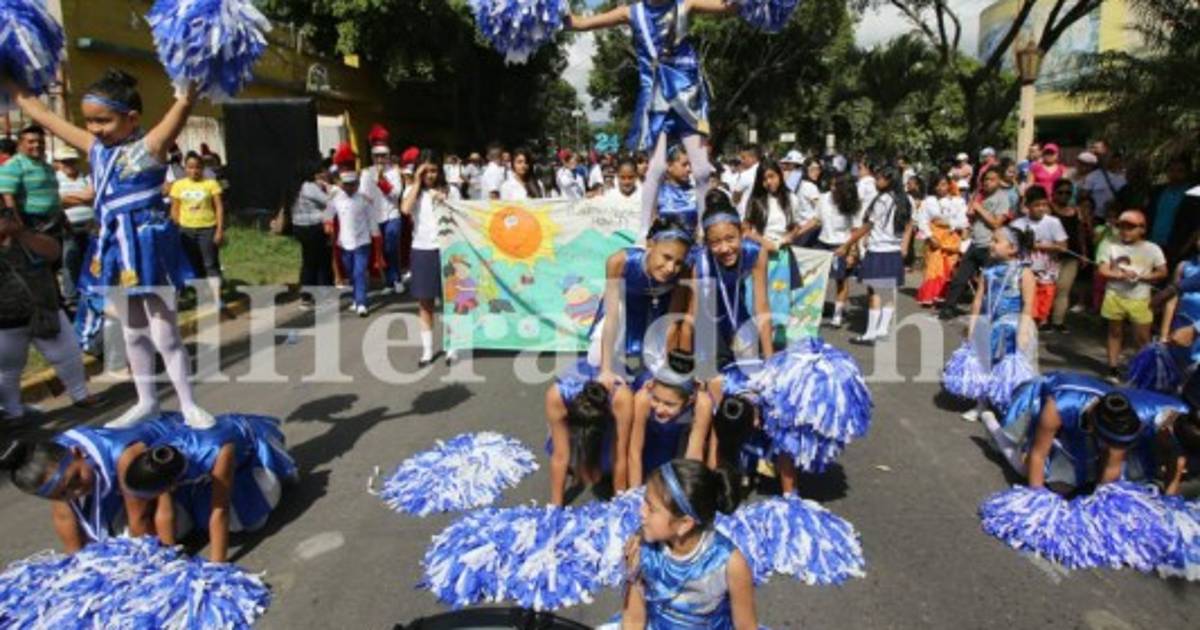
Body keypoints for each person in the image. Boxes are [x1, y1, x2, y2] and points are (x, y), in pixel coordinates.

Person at [7, 69, 214, 429]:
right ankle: (146, 401)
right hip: (115, 249)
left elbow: (182, 106)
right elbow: (42, 114)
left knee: (165, 332)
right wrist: (10, 77)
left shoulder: (150, 147)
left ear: (131, 118)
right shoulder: (95, 149)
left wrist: (191, 79)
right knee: (132, 331)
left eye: (103, 120)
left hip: (148, 246)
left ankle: (188, 404)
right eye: (89, 121)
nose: (95, 128)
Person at [566, 1, 733, 229]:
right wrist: (551, 12)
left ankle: (705, 232)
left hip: (687, 96)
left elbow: (730, 7)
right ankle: (644, 232)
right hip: (657, 99)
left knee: (703, 170)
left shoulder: (685, 4)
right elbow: (579, 23)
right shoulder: (631, 12)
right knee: (657, 168)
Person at [120, 414, 297, 563]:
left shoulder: (218, 451)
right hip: (201, 477)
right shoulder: (159, 460)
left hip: (243, 461)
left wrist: (216, 567)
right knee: (191, 525)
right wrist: (169, 557)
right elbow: (165, 510)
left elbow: (220, 510)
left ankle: (277, 475)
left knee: (249, 524)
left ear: (172, 484)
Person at [984, 373, 1195, 494]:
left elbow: (1111, 467)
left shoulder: (1121, 420)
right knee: (1028, 469)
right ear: (1094, 427)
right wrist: (1036, 499)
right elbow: (1039, 455)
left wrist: (1102, 505)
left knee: (1073, 483)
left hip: (1087, 418)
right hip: (1041, 396)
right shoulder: (1058, 406)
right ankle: (993, 423)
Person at [0, 419, 178, 551]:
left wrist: (155, 562)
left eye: (76, 478)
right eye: (62, 494)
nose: (76, 492)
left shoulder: (124, 455)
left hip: (173, 461)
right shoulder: (53, 468)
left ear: (77, 453)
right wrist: (79, 566)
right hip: (120, 485)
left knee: (143, 537)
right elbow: (64, 519)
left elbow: (140, 518)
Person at [617, 459, 756, 627]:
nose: (641, 511)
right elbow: (633, 619)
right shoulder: (642, 548)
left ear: (684, 524)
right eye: (644, 501)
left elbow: (746, 626)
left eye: (651, 508)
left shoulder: (730, 563)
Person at [0, 208, 103, 421]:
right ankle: (13, 411)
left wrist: (20, 233)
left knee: (68, 354)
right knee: (8, 369)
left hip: (45, 309)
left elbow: (53, 252)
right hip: (7, 318)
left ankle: (81, 395)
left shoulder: (27, 231)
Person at [956, 227, 1036, 422]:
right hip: (988, 322)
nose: (991, 244)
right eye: (991, 240)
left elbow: (1028, 304)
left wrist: (1023, 331)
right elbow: (978, 299)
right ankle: (981, 404)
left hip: (1011, 326)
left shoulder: (1024, 272)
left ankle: (1008, 406)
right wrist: (973, 323)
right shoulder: (988, 270)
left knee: (1007, 366)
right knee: (983, 363)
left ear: (1012, 248)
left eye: (996, 241)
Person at [689, 194, 773, 365]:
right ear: (706, 242)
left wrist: (771, 359)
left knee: (751, 367)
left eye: (730, 239)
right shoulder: (700, 262)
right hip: (709, 319)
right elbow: (693, 313)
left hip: (737, 311)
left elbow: (762, 305)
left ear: (742, 232)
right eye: (715, 242)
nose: (725, 248)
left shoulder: (755, 252)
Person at [841, 165, 914, 345]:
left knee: (873, 291)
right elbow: (910, 224)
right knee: (889, 291)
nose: (876, 181)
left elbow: (868, 225)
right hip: (894, 251)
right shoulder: (905, 199)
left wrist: (848, 244)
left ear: (889, 181)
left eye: (880, 178)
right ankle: (882, 330)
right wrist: (904, 245)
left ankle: (870, 333)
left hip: (878, 250)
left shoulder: (882, 200)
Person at [402, 152, 463, 367]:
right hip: (422, 250)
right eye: (425, 171)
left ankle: (452, 346)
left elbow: (461, 217)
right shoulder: (413, 190)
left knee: (449, 301)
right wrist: (417, 183)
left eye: (434, 170)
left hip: (447, 250)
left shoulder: (451, 190)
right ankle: (427, 351)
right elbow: (405, 209)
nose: (430, 175)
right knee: (425, 302)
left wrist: (445, 201)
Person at [742, 163, 809, 344]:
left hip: (781, 256)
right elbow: (745, 229)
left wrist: (789, 237)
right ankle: (754, 340)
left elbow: (796, 226)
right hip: (758, 253)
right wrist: (763, 242)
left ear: (780, 175)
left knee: (778, 297)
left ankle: (772, 341)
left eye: (772, 177)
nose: (768, 182)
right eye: (764, 179)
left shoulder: (791, 199)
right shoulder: (755, 200)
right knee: (755, 297)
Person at [1098, 209, 1167, 382]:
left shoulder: (1152, 248)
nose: (1125, 231)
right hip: (1114, 294)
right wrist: (1120, 275)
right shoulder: (1110, 245)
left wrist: (1143, 277)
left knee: (1142, 338)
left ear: (1142, 229)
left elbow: (1162, 272)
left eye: (1131, 227)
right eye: (1121, 226)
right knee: (1114, 332)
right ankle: (1112, 369)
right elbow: (1103, 269)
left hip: (1140, 298)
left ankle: (1142, 371)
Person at [629, 352, 713, 487]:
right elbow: (634, 452)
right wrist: (635, 493)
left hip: (678, 449)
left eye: (669, 404)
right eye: (656, 399)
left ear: (689, 401)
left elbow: (693, 454)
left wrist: (684, 492)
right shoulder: (643, 399)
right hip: (650, 450)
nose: (659, 409)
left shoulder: (702, 404)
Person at [939, 168, 1012, 320]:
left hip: (990, 246)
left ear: (999, 181)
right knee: (960, 278)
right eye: (986, 179)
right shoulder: (982, 197)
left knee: (989, 282)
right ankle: (948, 307)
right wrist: (971, 215)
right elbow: (975, 220)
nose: (987, 182)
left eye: (992, 179)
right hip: (975, 243)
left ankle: (991, 312)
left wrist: (979, 208)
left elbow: (997, 223)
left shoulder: (1002, 198)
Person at [545, 377, 626, 506]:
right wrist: (555, 507)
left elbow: (621, 456)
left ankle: (593, 466)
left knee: (602, 471)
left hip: (609, 425)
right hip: (581, 427)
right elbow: (560, 456)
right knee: (570, 456)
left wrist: (621, 503)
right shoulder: (558, 395)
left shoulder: (621, 398)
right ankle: (582, 465)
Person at [1010, 187, 1069, 327]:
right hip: (1026, 271)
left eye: (1044, 205)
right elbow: (1011, 247)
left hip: (1048, 273)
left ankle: (1034, 329)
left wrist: (1037, 246)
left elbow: (1063, 247)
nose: (1041, 208)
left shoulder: (1053, 222)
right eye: (1037, 205)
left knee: (1043, 310)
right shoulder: (1018, 224)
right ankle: (1025, 333)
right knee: (1029, 307)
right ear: (1027, 205)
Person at [169, 152, 225, 296]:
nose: (194, 171)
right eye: (190, 167)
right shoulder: (178, 185)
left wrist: (219, 230)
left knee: (210, 264)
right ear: (185, 168)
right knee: (194, 265)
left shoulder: (211, 184)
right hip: (186, 231)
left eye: (198, 167)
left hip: (207, 229)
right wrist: (178, 227)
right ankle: (203, 295)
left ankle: (217, 297)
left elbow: (219, 207)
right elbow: (174, 209)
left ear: (202, 168)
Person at [813, 172, 863, 328]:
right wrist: (797, 232)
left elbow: (855, 230)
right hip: (822, 243)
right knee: (817, 279)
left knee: (841, 280)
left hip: (842, 245)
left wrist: (852, 252)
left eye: (836, 185)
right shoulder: (823, 198)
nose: (832, 187)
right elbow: (816, 220)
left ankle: (838, 315)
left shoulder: (852, 203)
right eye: (832, 184)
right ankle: (814, 312)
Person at [361, 135, 406, 295]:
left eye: (383, 156)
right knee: (381, 251)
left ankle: (397, 279)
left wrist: (382, 181)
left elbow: (396, 194)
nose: (380, 159)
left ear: (388, 156)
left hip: (392, 214)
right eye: (377, 156)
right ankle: (388, 281)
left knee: (391, 247)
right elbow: (363, 194)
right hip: (375, 216)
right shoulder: (366, 173)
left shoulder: (394, 172)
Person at [0, 125, 64, 235]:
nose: (37, 145)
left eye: (41, 142)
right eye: (31, 142)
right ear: (20, 144)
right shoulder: (14, 165)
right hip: (31, 223)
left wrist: (64, 219)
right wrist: (20, 227)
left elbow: (54, 196)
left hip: (54, 221)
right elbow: (8, 199)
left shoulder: (47, 166)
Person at [328, 170, 376, 318]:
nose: (349, 187)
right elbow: (327, 214)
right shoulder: (336, 199)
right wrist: (328, 225)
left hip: (362, 242)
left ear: (357, 185)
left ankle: (361, 303)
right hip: (344, 243)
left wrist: (376, 237)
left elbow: (372, 220)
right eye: (346, 185)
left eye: (352, 184)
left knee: (359, 272)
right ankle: (356, 297)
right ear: (342, 185)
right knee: (351, 273)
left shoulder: (364, 199)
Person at [916, 175, 966, 307]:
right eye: (937, 185)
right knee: (933, 266)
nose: (940, 188)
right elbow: (922, 221)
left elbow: (963, 221)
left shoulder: (958, 201)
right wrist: (930, 237)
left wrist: (949, 223)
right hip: (934, 237)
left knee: (948, 267)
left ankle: (942, 297)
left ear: (949, 185)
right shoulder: (928, 201)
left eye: (943, 184)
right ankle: (929, 296)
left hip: (951, 238)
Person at [290, 160, 334, 309]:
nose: (320, 174)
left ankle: (306, 297)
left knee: (308, 261)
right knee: (323, 262)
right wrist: (328, 188)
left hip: (299, 227)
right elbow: (329, 201)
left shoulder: (294, 187)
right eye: (318, 172)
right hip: (314, 227)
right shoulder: (309, 187)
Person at [55, 146, 95, 305]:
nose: (69, 164)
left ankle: (89, 292)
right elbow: (58, 200)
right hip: (68, 225)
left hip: (90, 224)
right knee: (70, 261)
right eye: (65, 161)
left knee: (91, 260)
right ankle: (71, 297)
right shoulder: (55, 179)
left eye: (72, 161)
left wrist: (69, 198)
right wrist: (83, 199)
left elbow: (93, 197)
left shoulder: (86, 178)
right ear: (59, 163)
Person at [1049, 180, 1089, 332]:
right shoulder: (1048, 209)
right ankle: (1043, 318)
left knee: (1063, 288)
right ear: (1054, 193)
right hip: (1051, 254)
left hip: (1071, 255)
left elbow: (1080, 233)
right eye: (1060, 192)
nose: (1064, 195)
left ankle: (1058, 321)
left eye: (1068, 193)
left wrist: (1084, 253)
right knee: (1048, 287)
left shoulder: (1076, 211)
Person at [1147, 156, 1197, 263]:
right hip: (1152, 244)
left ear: (1187, 173)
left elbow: (1196, 227)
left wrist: (1184, 249)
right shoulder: (1157, 191)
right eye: (1172, 170)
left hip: (1175, 248)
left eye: (1180, 171)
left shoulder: (1193, 196)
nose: (1175, 175)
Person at [646, 144, 698, 234]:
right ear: (669, 166)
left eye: (690, 165)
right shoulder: (657, 194)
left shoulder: (696, 192)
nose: (689, 169)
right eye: (684, 165)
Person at [1081, 142, 1127, 219]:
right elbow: (1084, 197)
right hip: (1096, 217)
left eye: (1116, 157)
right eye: (1110, 157)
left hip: (1115, 217)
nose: (1115, 160)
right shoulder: (1093, 176)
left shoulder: (1124, 179)